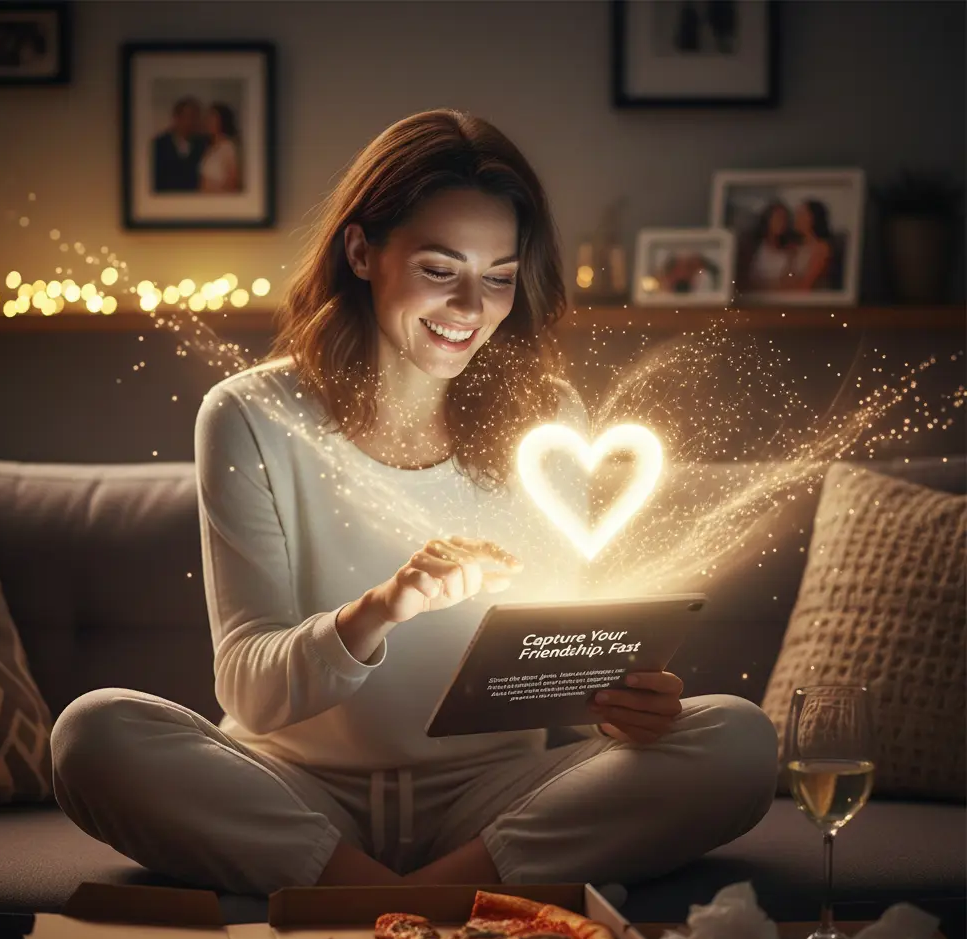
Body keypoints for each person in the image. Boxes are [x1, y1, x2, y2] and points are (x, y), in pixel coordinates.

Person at [49, 109, 779, 895]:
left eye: (498, 276)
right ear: (363, 251)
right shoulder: (252, 416)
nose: (471, 307)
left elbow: (554, 682)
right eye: (440, 269)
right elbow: (251, 692)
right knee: (92, 734)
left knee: (738, 740)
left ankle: (386, 909)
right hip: (299, 792)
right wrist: (383, 609)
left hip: (495, 798)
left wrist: (621, 706)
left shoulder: (549, 420)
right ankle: (434, 908)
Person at [152, 97, 207, 193]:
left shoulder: (202, 144)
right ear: (176, 117)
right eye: (188, 116)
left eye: (194, 117)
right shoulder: (159, 144)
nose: (191, 122)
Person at [782, 199, 835, 291]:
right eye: (796, 214)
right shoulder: (796, 247)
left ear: (813, 218)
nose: (796, 219)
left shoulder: (821, 248)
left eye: (801, 214)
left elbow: (808, 283)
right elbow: (788, 276)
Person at [742, 201, 795, 292]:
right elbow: (743, 279)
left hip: (780, 297)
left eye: (784, 218)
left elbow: (790, 280)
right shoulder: (753, 247)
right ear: (768, 220)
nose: (781, 222)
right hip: (753, 297)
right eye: (777, 217)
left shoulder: (791, 249)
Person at [199, 102, 242, 193]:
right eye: (208, 119)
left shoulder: (228, 147)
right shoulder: (210, 147)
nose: (208, 123)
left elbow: (233, 183)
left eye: (213, 120)